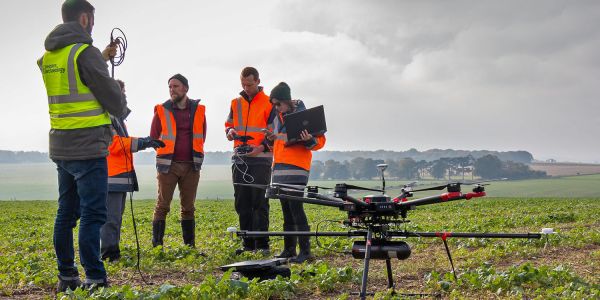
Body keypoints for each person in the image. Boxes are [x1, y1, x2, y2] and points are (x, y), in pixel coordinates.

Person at [37, 0, 127, 292]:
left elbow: (77, 80)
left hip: (62, 147)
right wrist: (120, 99)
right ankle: (95, 276)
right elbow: (111, 98)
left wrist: (100, 57)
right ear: (86, 18)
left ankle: (67, 276)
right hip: (88, 146)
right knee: (93, 214)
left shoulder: (51, 56)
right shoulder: (84, 53)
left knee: (66, 213)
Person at [100, 80, 165, 262]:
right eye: (122, 92)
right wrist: (144, 142)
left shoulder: (117, 118)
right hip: (110, 175)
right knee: (110, 219)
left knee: (115, 218)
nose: (125, 96)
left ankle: (113, 252)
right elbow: (115, 145)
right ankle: (108, 254)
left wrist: (145, 141)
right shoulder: (107, 117)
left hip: (118, 175)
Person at [265, 82, 326, 263]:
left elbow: (320, 142)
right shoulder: (278, 118)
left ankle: (305, 251)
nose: (276, 108)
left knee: (296, 208)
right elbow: (278, 143)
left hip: (297, 168)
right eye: (274, 105)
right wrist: (270, 140)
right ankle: (289, 250)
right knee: (286, 209)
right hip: (279, 169)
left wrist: (309, 140)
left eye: (278, 104)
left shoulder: (306, 116)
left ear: (287, 100)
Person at [150, 74, 206, 248]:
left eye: (175, 86)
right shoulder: (161, 109)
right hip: (168, 166)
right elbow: (153, 137)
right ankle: (157, 246)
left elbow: (202, 136)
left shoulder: (199, 110)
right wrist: (166, 155)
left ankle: (190, 246)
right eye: (170, 87)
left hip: (192, 165)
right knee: (162, 206)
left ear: (185, 89)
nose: (172, 90)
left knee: (188, 207)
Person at [225, 67, 276, 255]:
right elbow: (228, 124)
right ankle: (247, 245)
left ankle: (262, 245)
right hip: (239, 158)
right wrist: (230, 132)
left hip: (261, 159)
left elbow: (273, 132)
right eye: (243, 84)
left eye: (249, 84)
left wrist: (261, 148)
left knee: (259, 203)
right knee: (242, 203)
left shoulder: (269, 103)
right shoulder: (235, 103)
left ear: (258, 81)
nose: (246, 88)